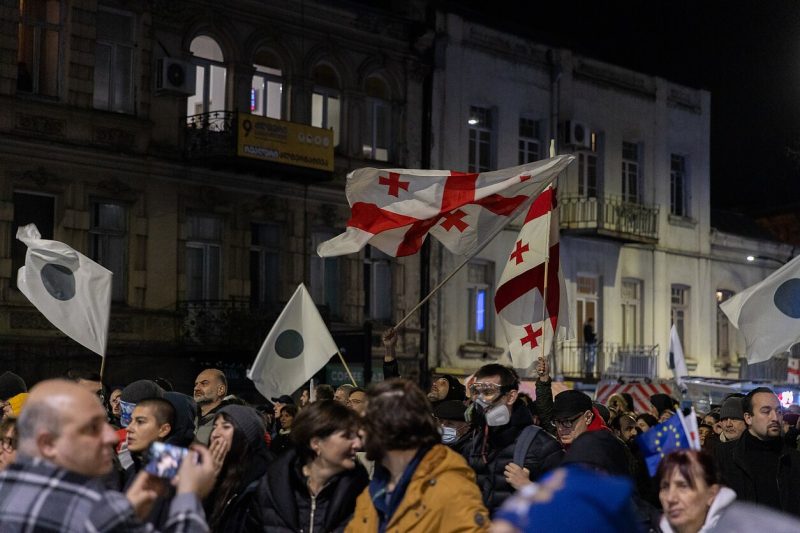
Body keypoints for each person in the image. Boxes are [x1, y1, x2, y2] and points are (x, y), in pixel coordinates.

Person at [0, 379, 216, 531]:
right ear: (47, 444)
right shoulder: (91, 507)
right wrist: (188, 495)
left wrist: (125, 511)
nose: (113, 437)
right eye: (92, 428)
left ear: (166, 427)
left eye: (140, 421)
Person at [347, 379, 489, 532]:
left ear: (395, 427)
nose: (360, 433)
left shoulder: (451, 489)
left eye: (367, 424)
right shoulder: (375, 488)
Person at [461, 364, 563, 514]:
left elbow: (564, 505)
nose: (480, 400)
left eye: (488, 391)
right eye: (476, 392)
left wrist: (528, 487)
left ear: (511, 396)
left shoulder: (542, 445)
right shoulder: (474, 443)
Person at [252, 400, 369, 531]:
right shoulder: (271, 487)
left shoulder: (362, 490)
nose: (358, 444)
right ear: (316, 443)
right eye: (347, 436)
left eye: (358, 436)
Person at [714, 387, 800, 515]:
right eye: (766, 411)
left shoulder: (794, 460)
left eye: (779, 411)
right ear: (748, 418)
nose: (775, 418)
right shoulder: (723, 455)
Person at [205, 404, 273, 532]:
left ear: (246, 436)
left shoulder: (262, 480)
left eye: (225, 427)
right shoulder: (219, 471)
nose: (215, 434)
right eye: (214, 426)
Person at [657, 449, 737, 533]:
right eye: (665, 487)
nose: (670, 498)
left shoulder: (743, 527)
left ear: (712, 494)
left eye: (683, 486)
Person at [124, 398, 176, 485]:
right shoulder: (133, 469)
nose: (128, 428)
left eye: (140, 422)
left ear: (164, 430)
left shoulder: (172, 475)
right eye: (130, 421)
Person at [194, 368, 228, 445]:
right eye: (196, 384)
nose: (196, 388)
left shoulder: (229, 422)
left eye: (204, 383)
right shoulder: (191, 416)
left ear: (220, 390)